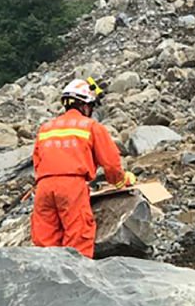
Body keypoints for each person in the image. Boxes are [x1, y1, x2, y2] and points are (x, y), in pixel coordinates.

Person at [30, 77, 136, 258]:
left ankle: (46, 280)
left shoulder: (46, 128)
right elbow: (111, 163)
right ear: (84, 105)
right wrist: (120, 181)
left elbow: (37, 161)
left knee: (44, 242)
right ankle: (76, 281)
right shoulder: (91, 126)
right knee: (78, 238)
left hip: (43, 188)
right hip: (72, 187)